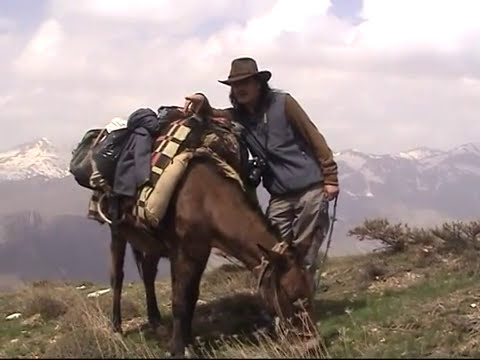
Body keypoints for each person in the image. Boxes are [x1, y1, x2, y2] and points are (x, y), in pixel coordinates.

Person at [183, 57, 339, 275]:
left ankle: (301, 303)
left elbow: (314, 137)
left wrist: (330, 178)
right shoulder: (239, 116)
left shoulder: (284, 103)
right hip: (279, 194)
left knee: (304, 251)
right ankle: (282, 303)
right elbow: (215, 114)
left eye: (245, 83)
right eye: (235, 85)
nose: (240, 89)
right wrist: (202, 100)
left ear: (258, 83)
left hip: (310, 188)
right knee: (273, 251)